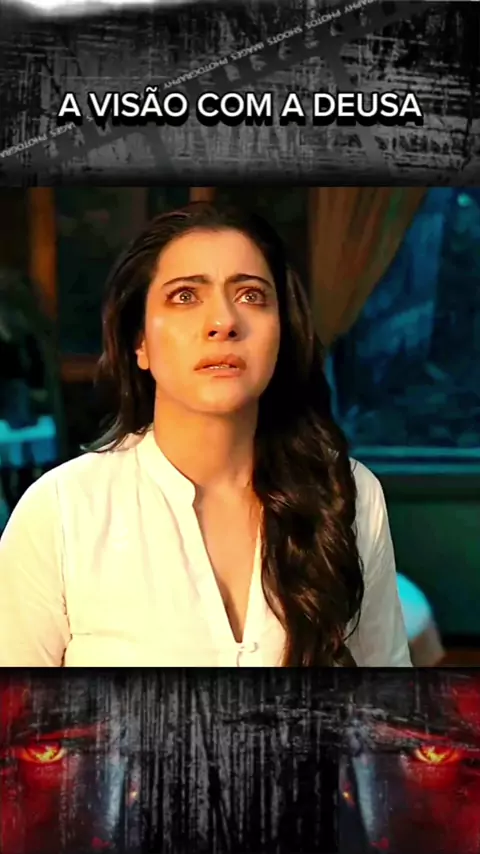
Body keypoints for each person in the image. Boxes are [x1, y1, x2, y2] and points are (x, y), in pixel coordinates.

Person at [0, 201, 411, 667]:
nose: (224, 322)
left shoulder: (349, 494)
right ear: (140, 343)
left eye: (251, 295)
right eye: (185, 296)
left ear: (283, 333)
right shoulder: (62, 511)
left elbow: (387, 702)